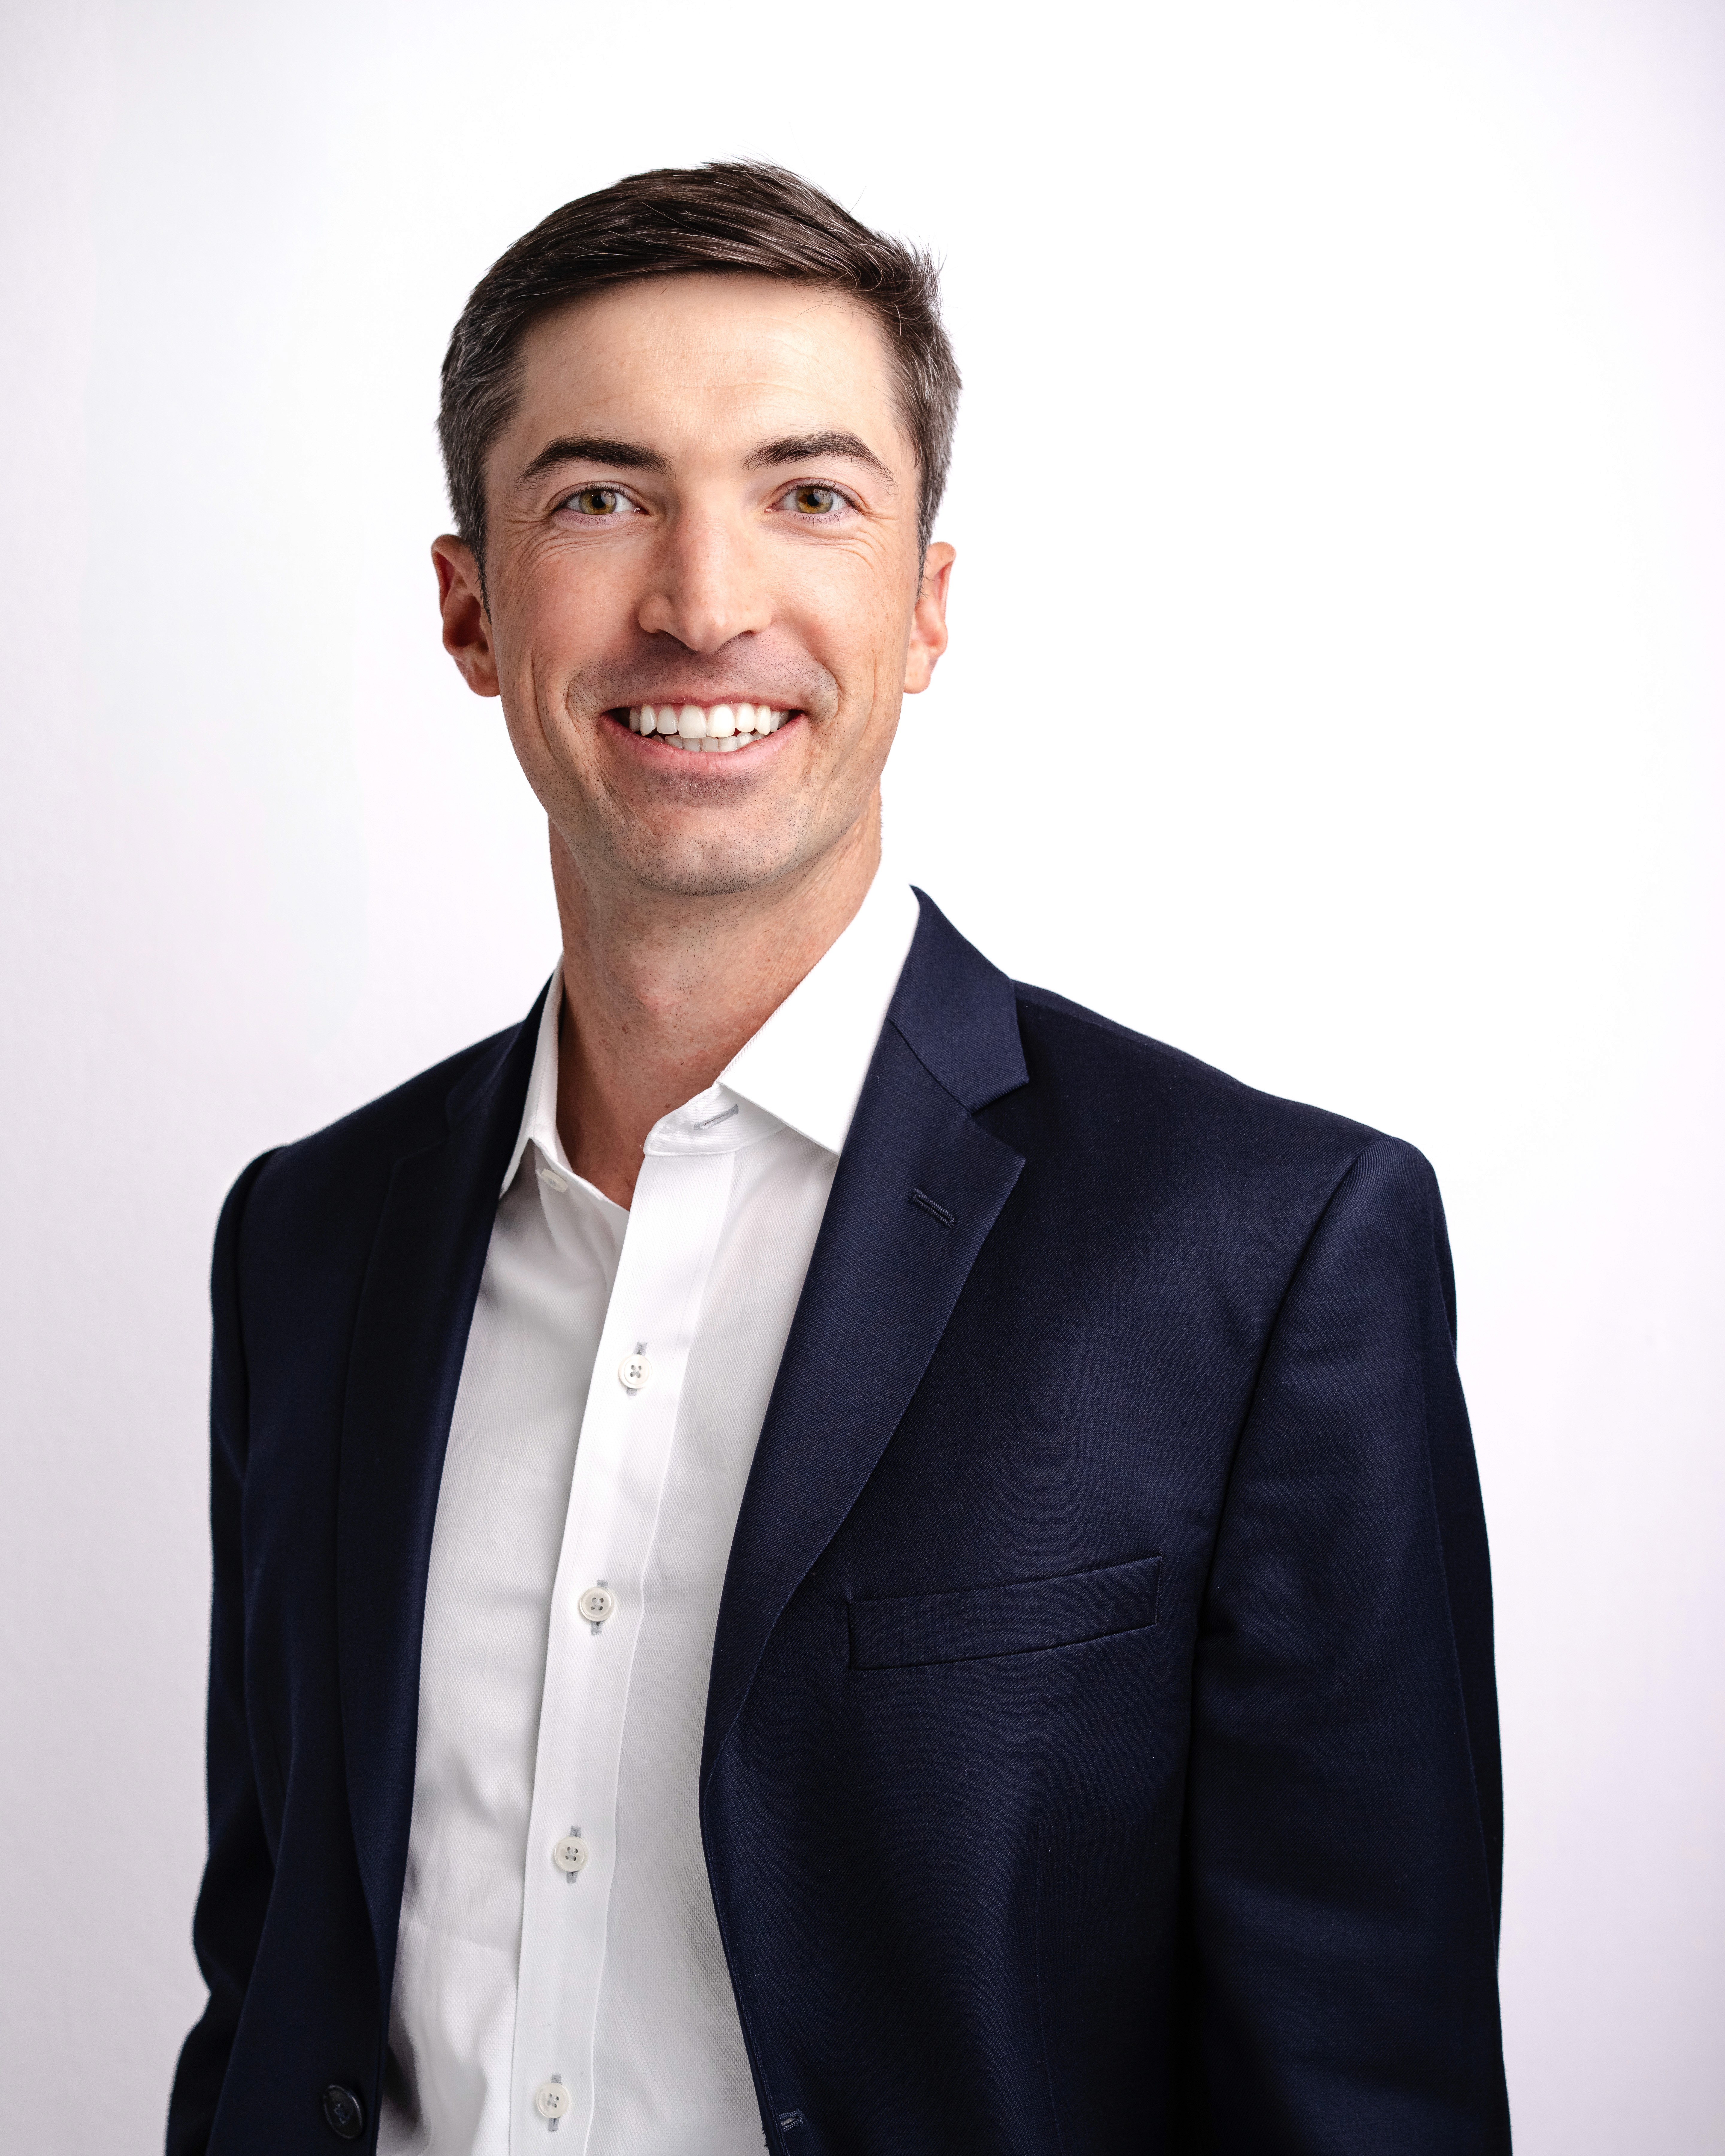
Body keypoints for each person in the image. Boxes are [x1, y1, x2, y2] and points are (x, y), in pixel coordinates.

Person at [167, 162, 1510, 2156]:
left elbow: (1363, 2098)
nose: (705, 601)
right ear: (469, 605)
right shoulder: (309, 1239)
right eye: (600, 496)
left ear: (927, 603)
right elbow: (279, 1973)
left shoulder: (1266, 1254)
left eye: (810, 495)